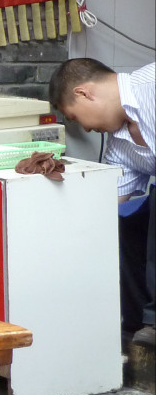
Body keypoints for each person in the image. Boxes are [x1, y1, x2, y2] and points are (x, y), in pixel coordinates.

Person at [49, 58, 155, 345]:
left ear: (84, 93)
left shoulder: (151, 86)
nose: (82, 128)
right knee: (119, 227)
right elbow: (109, 204)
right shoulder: (118, 143)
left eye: (74, 117)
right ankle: (136, 326)